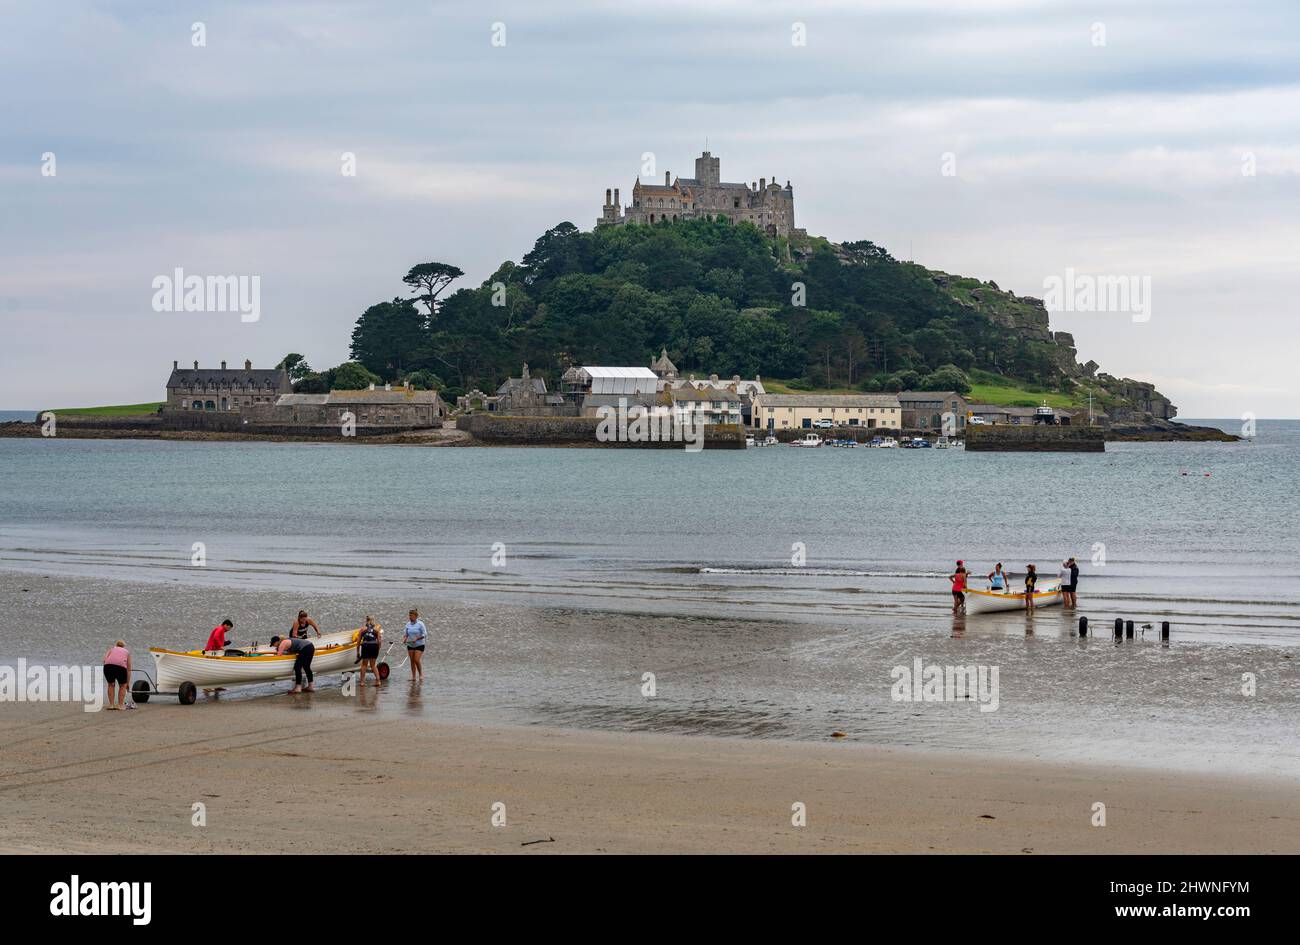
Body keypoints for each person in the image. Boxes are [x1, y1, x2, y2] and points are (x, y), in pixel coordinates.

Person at [102, 640, 131, 711]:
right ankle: (120, 705)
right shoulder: (127, 652)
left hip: (108, 667)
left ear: (116, 645)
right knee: (122, 686)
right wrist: (128, 683)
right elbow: (129, 668)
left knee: (111, 684)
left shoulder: (111, 649)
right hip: (121, 668)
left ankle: (111, 705)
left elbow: (104, 660)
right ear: (123, 646)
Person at [356, 616, 383, 687]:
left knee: (364, 665)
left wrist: (358, 652)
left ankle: (362, 682)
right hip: (374, 646)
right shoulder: (377, 629)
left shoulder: (362, 629)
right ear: (373, 621)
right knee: (373, 665)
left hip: (366, 646)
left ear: (366, 621)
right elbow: (379, 641)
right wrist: (378, 649)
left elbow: (358, 641)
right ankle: (378, 681)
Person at [403, 609, 427, 680]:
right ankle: (413, 677)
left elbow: (425, 634)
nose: (410, 617)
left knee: (416, 660)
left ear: (416, 616)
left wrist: (417, 638)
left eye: (411, 616)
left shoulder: (420, 624)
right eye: (409, 616)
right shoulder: (408, 624)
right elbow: (406, 634)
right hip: (410, 645)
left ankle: (420, 675)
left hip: (420, 644)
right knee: (412, 661)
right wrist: (404, 639)